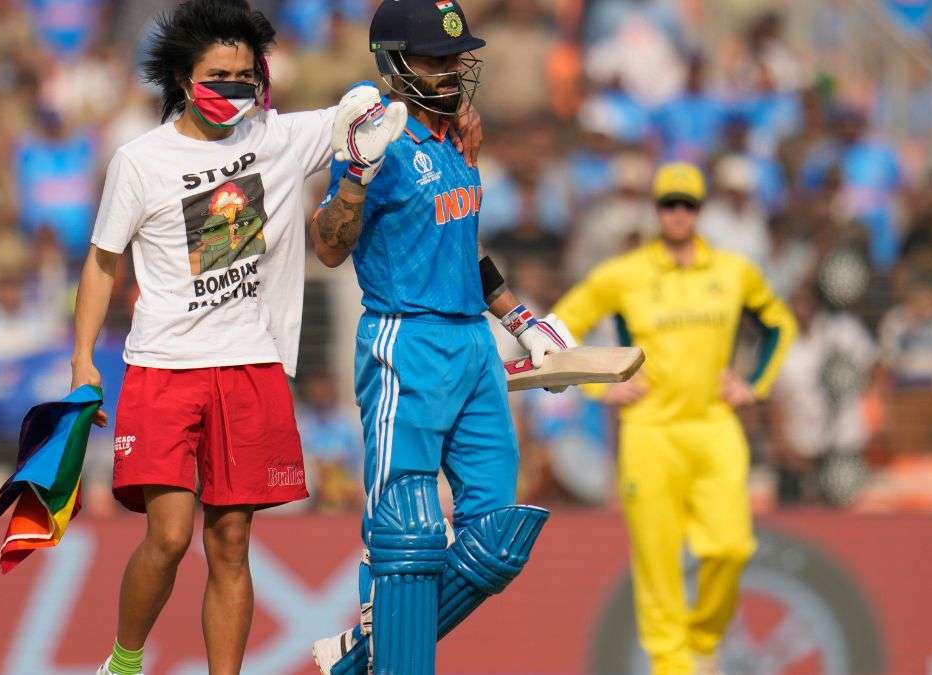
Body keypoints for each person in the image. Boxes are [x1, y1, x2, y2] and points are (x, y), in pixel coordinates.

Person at [70, 2, 414, 674]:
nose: (233, 89)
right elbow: (101, 261)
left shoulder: (281, 137)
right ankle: (124, 658)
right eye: (217, 76)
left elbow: (369, 109)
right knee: (168, 536)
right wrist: (83, 358)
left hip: (252, 366)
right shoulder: (140, 161)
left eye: (244, 75)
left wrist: (410, 108)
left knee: (232, 542)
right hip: (164, 366)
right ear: (181, 76)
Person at [308, 1, 562, 673]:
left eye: (456, 59)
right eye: (435, 60)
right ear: (395, 62)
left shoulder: (460, 141)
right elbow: (329, 246)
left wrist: (520, 320)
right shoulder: (380, 144)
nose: (451, 72)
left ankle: (362, 650)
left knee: (497, 540)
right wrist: (357, 172)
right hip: (406, 342)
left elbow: (462, 250)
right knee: (408, 534)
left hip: (473, 347)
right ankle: (387, 655)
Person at [550, 163, 798, 675]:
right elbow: (558, 328)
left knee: (731, 546)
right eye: (669, 205)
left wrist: (753, 385)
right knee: (658, 562)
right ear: (656, 209)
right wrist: (600, 385)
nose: (678, 214)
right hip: (649, 433)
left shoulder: (733, 272)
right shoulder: (626, 274)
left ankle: (704, 640)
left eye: (687, 205)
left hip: (714, 427)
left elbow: (778, 323)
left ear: (701, 210)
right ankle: (674, 666)